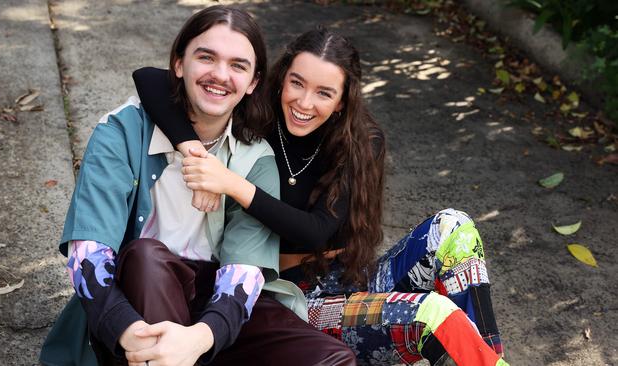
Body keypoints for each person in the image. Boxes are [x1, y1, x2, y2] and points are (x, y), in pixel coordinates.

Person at [133, 27, 509, 366]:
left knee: (454, 226)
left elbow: (317, 231)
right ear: (281, 80)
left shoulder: (361, 142)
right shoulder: (257, 112)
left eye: (324, 93)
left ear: (343, 100)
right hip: (293, 298)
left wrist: (230, 183)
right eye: (297, 83)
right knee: (430, 314)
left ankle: (486, 359)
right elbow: (149, 79)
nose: (305, 103)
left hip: (352, 281)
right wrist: (194, 152)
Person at [39, 7, 356, 366]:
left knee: (330, 357)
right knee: (147, 258)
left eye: (238, 65)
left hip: (218, 307)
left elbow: (244, 271)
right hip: (136, 305)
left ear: (254, 82)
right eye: (206, 57)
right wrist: (129, 332)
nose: (220, 75)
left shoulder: (256, 157)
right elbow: (88, 256)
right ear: (179, 64)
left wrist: (199, 339)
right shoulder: (121, 132)